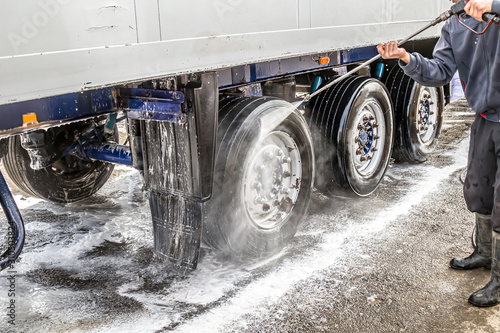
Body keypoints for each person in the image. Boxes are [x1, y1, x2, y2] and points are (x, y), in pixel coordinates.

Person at [377, 0, 500, 307]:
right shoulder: (454, 25)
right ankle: (485, 252)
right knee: (478, 190)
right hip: (485, 120)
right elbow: (440, 71)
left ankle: (499, 281)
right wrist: (406, 58)